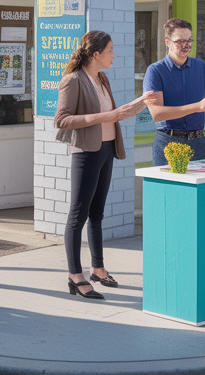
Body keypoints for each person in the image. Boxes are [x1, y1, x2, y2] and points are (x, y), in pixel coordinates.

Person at [54, 31, 152, 300]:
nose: (113, 55)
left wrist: (138, 106)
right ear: (96, 54)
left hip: (107, 149)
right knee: (78, 215)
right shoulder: (72, 81)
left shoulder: (101, 78)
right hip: (86, 152)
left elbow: (112, 115)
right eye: (109, 51)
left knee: (97, 213)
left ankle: (98, 267)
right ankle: (76, 276)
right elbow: (61, 120)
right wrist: (104, 116)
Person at [144, 18, 205, 164]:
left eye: (189, 40)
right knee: (172, 187)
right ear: (167, 42)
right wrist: (198, 107)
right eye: (180, 41)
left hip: (198, 142)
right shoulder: (155, 71)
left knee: (201, 186)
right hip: (169, 142)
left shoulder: (200, 66)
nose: (186, 45)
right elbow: (157, 114)